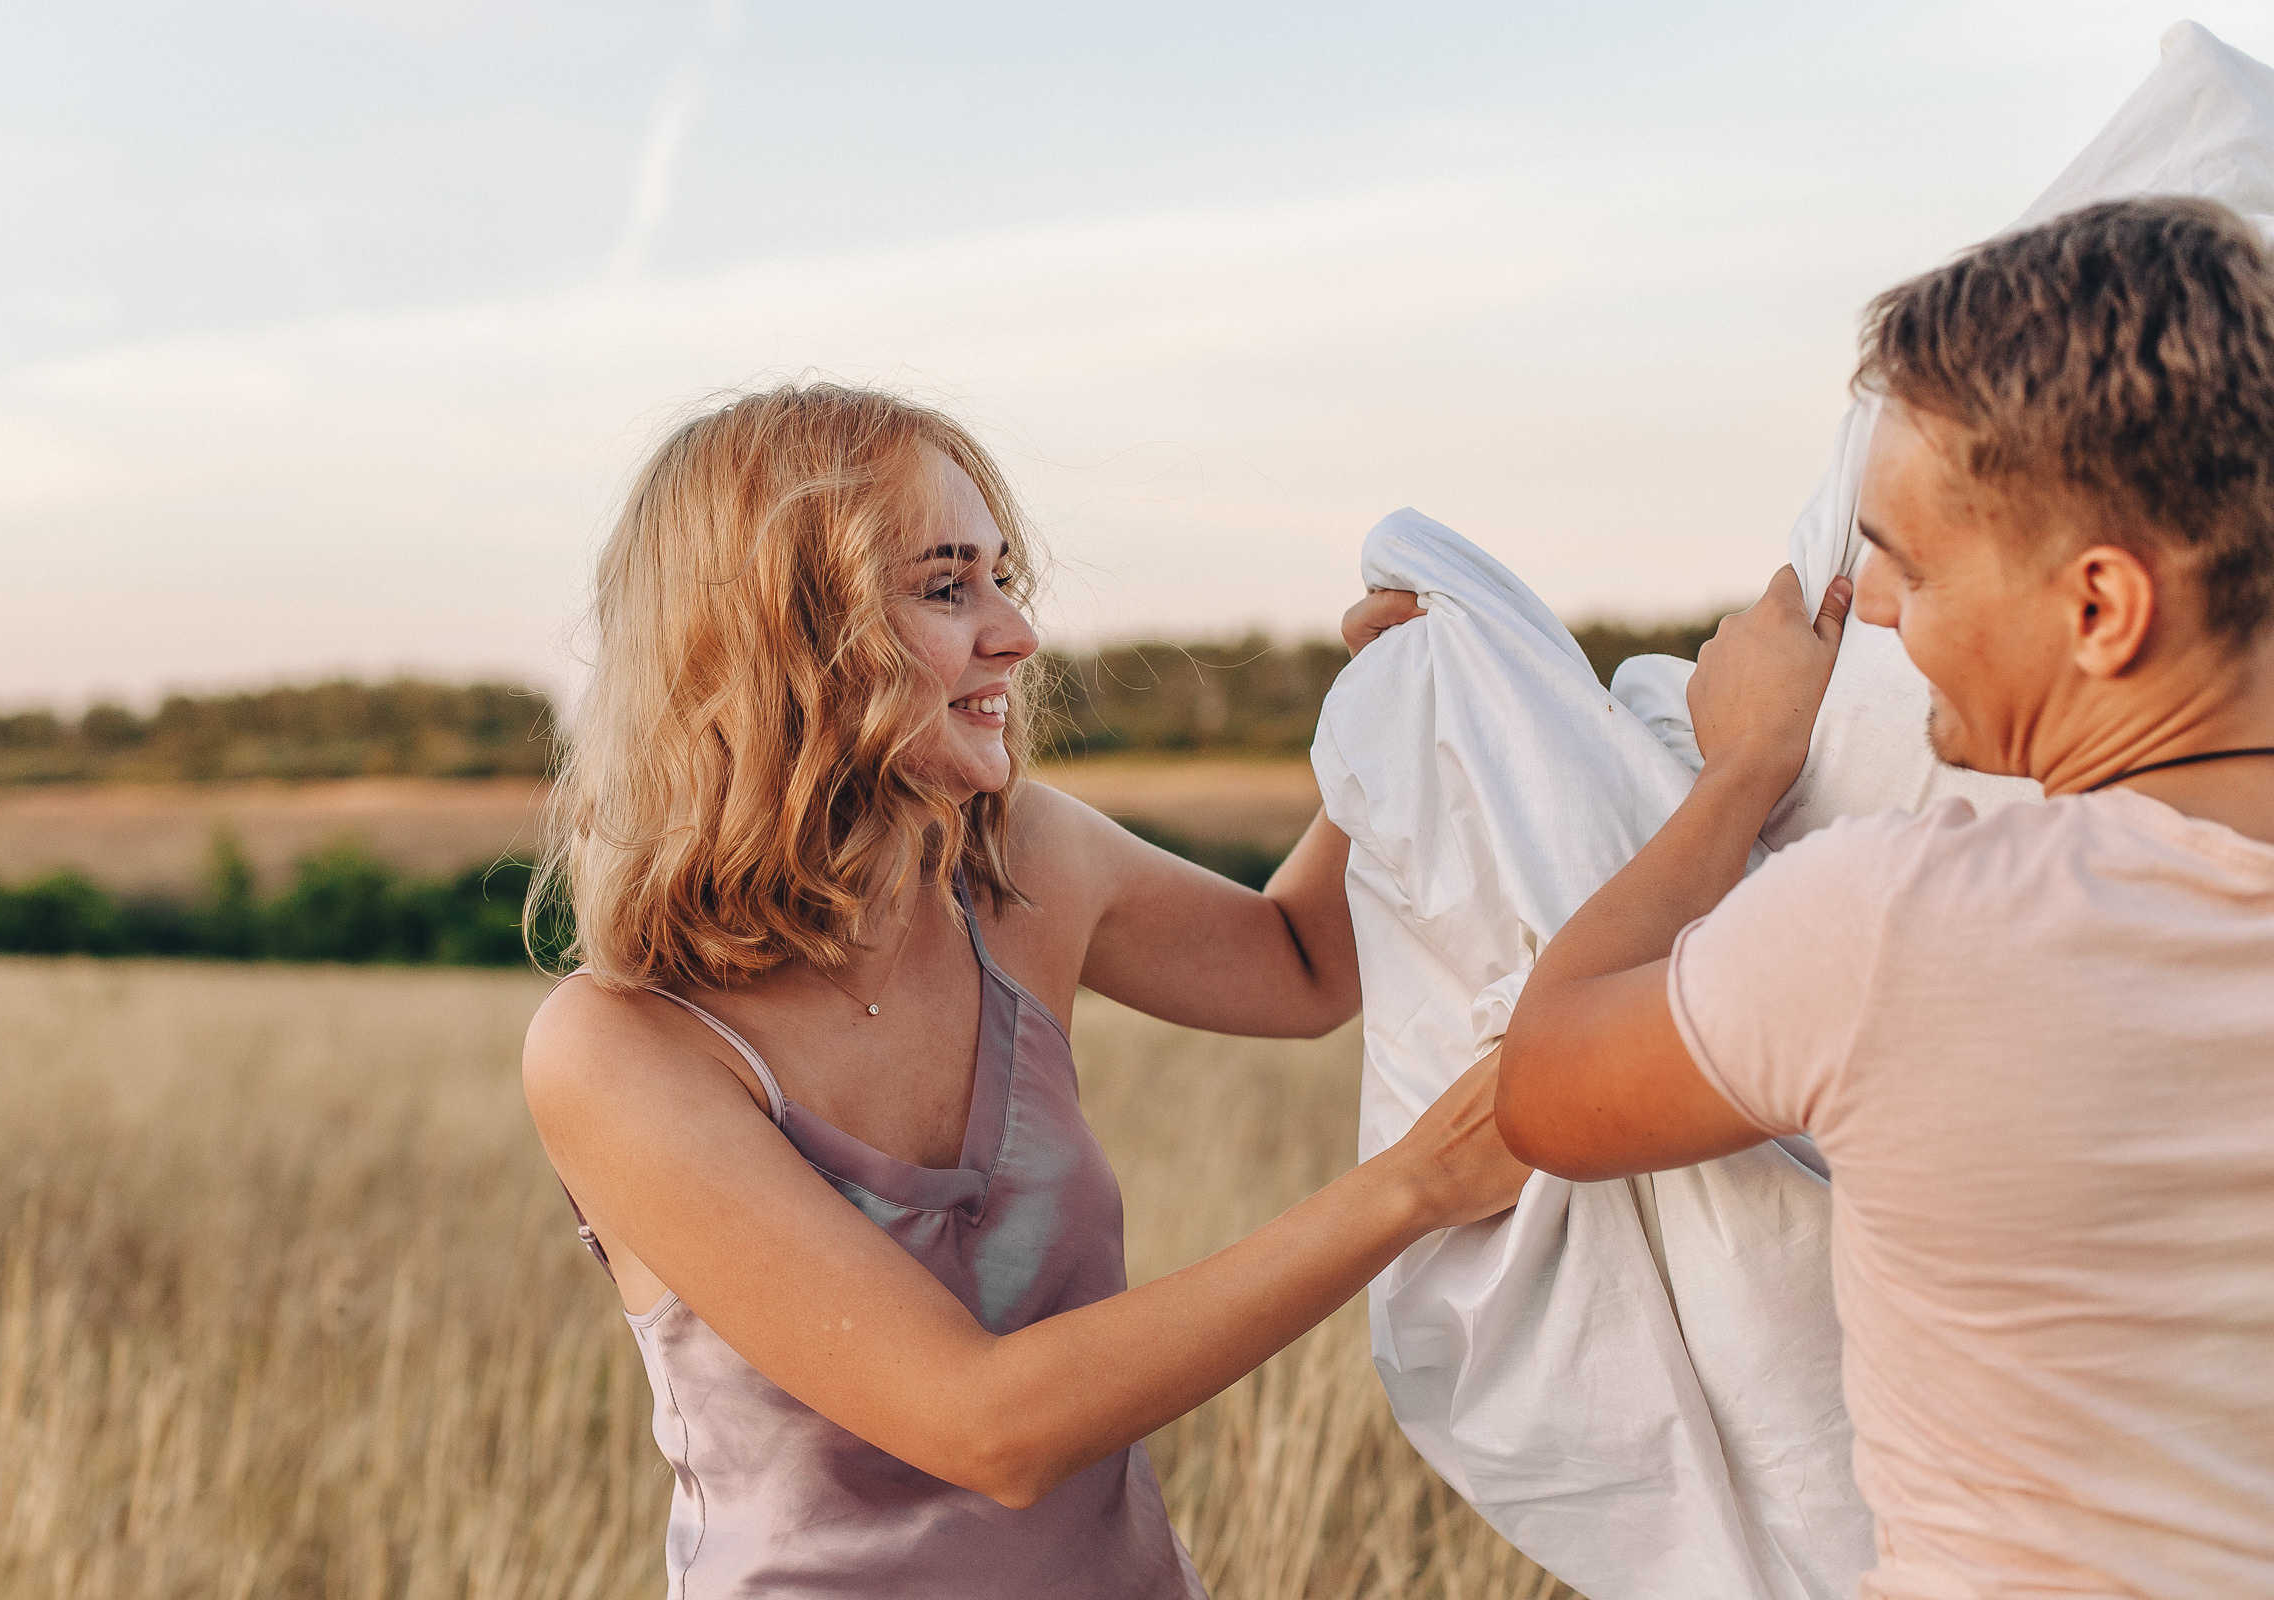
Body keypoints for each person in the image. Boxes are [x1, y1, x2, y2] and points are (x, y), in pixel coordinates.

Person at [519, 383, 1527, 1598]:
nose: (1016, 633)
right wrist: (1415, 1186)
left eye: (1005, 579)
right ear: (779, 638)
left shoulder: (1022, 862)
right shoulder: (620, 1045)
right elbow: (986, 1426)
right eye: (947, 588)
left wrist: (1399, 706)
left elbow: (1304, 962)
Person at [1486, 196, 2274, 1595]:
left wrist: (1741, 773)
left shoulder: (1902, 927)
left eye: (1908, 558)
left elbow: (1543, 1086)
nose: (1889, 615)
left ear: (2101, 607)